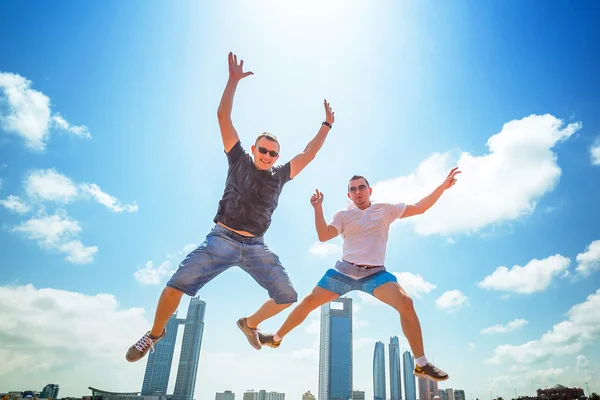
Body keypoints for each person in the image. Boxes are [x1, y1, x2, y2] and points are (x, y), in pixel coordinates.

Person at [126, 52, 335, 361]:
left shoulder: (281, 175)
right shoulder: (238, 159)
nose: (267, 155)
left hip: (256, 247)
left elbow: (309, 153)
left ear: (277, 157)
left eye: (272, 153)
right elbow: (223, 117)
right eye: (262, 150)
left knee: (287, 296)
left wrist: (327, 125)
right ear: (253, 149)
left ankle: (249, 324)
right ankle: (155, 333)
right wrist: (232, 81)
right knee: (176, 285)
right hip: (221, 240)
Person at [258, 168, 462, 381]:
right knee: (308, 302)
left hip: (375, 274)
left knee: (406, 303)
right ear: (349, 195)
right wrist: (318, 209)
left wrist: (442, 186)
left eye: (361, 187)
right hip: (344, 271)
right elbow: (323, 235)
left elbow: (420, 207)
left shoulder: (385, 209)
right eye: (353, 189)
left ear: (370, 190)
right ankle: (275, 338)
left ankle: (421, 364)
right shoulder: (343, 215)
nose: (358, 192)